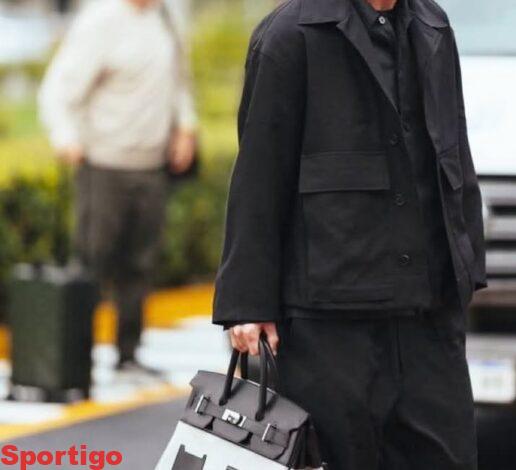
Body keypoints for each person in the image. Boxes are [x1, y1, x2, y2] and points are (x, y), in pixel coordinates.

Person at [213, 0, 485, 468]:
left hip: (426, 318)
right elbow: (259, 174)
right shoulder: (290, 35)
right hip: (327, 324)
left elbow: (454, 149)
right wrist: (247, 304)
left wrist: (466, 265)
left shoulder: (433, 25)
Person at [39, 0, 197, 373]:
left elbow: (179, 81)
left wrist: (185, 127)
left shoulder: (165, 16)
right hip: (104, 165)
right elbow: (58, 89)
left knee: (140, 264)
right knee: (93, 263)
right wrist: (65, 137)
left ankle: (129, 354)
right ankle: (75, 359)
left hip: (152, 166)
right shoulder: (100, 20)